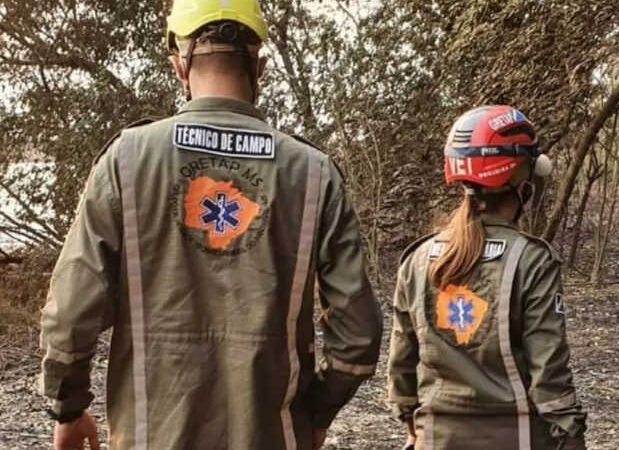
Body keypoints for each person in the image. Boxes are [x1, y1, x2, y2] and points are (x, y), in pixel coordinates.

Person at [38, 1, 382, 449]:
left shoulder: (127, 160)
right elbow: (358, 334)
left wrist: (68, 407)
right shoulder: (313, 172)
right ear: (258, 66)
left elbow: (69, 315)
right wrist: (316, 412)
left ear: (179, 64)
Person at [387, 106, 587, 450]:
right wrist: (571, 437)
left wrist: (410, 422)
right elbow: (549, 375)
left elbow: (402, 365)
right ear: (522, 179)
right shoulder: (531, 260)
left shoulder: (418, 259)